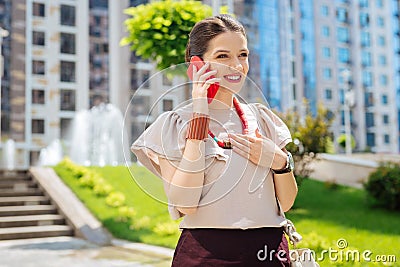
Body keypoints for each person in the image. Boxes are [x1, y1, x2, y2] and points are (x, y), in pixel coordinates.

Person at [131, 14, 298, 266]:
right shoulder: (173, 124)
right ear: (197, 64)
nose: (237, 66)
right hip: (206, 254)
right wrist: (199, 119)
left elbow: (286, 202)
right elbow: (185, 203)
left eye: (243, 55)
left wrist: (279, 161)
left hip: (270, 252)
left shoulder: (263, 120)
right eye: (223, 56)